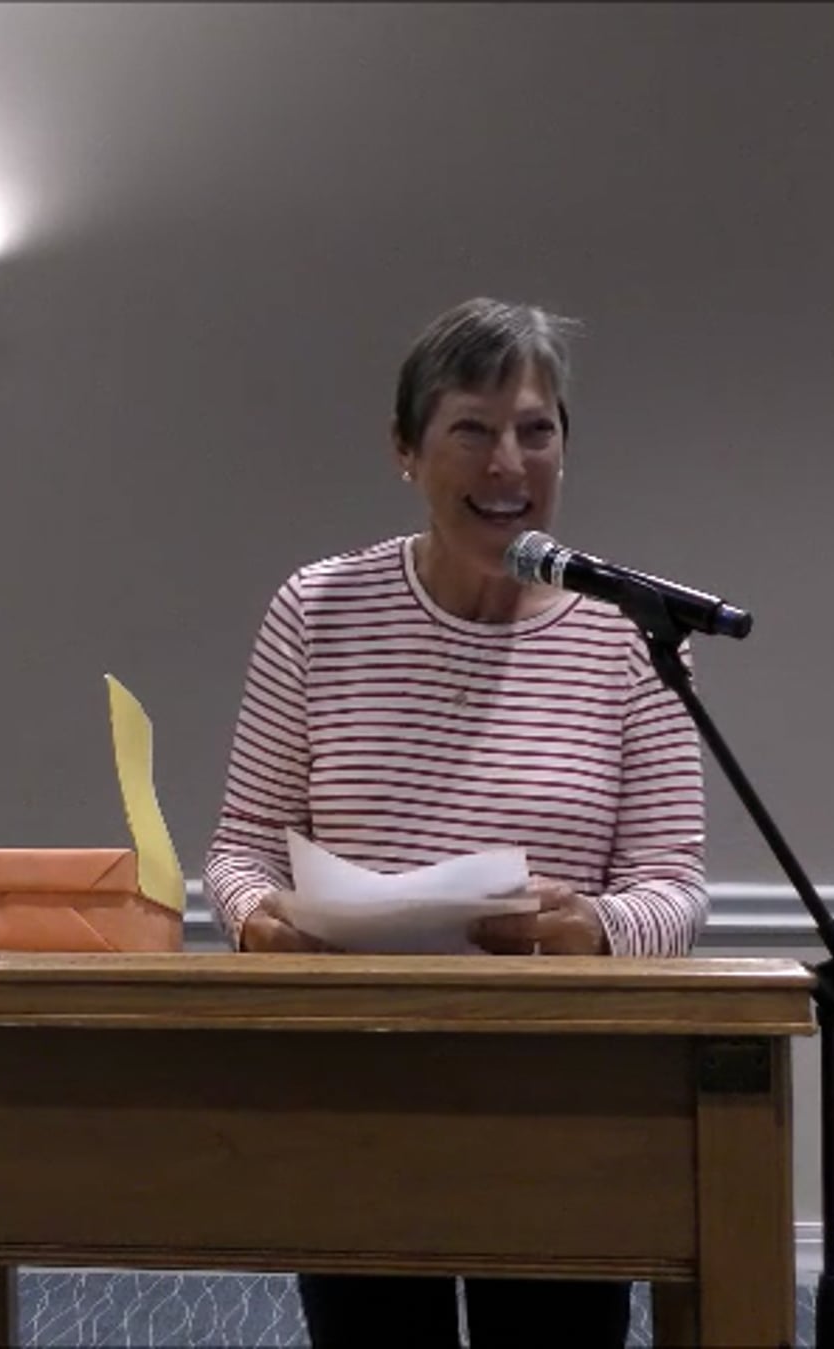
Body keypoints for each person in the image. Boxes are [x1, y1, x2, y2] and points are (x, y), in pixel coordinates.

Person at [201, 297, 709, 1349]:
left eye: (536, 429)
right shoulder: (318, 609)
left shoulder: (630, 635)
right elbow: (241, 847)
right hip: (360, 1080)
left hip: (559, 1093)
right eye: (472, 429)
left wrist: (596, 926)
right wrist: (258, 922)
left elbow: (676, 885)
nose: (508, 463)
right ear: (405, 450)